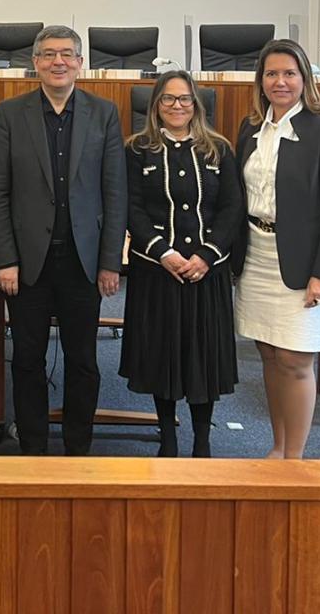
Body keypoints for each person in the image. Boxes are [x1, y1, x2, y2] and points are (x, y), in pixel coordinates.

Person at [0, 24, 127, 456]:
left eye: (66, 54)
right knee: (28, 359)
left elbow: (115, 192)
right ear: (35, 63)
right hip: (28, 263)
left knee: (83, 360)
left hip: (84, 262)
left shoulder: (104, 113)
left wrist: (110, 262)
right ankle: (33, 450)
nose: (58, 61)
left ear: (81, 63)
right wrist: (5, 259)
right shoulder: (10, 114)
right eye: (48, 54)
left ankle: (78, 450)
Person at [233, 39, 320, 460]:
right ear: (260, 80)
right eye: (271, 74)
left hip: (305, 263)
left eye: (289, 73)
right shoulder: (250, 128)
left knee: (296, 360)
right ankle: (279, 447)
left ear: (304, 79)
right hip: (257, 255)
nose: (279, 82)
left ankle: (295, 460)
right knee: (269, 354)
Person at [121, 70, 243, 457]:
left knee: (202, 359)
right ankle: (168, 438)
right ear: (155, 105)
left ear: (197, 105)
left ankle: (202, 442)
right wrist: (164, 252)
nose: (177, 106)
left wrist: (207, 255)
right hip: (157, 271)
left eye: (185, 98)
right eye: (169, 99)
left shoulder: (218, 149)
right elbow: (131, 208)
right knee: (163, 357)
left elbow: (232, 208)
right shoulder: (136, 149)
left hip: (207, 272)